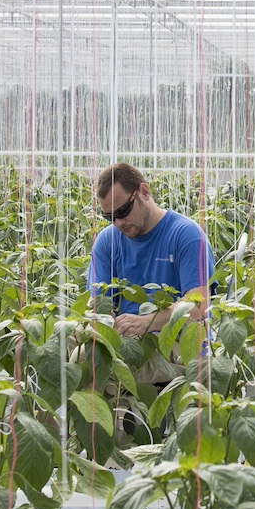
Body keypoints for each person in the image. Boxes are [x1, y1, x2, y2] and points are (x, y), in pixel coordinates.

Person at [89, 163, 214, 381]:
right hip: (126, 340)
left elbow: (199, 307)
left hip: (177, 345)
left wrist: (145, 322)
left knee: (106, 368)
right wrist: (101, 320)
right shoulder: (107, 242)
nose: (118, 223)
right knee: (60, 355)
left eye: (123, 211)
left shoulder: (186, 235)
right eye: (110, 217)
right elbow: (98, 304)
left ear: (144, 192)